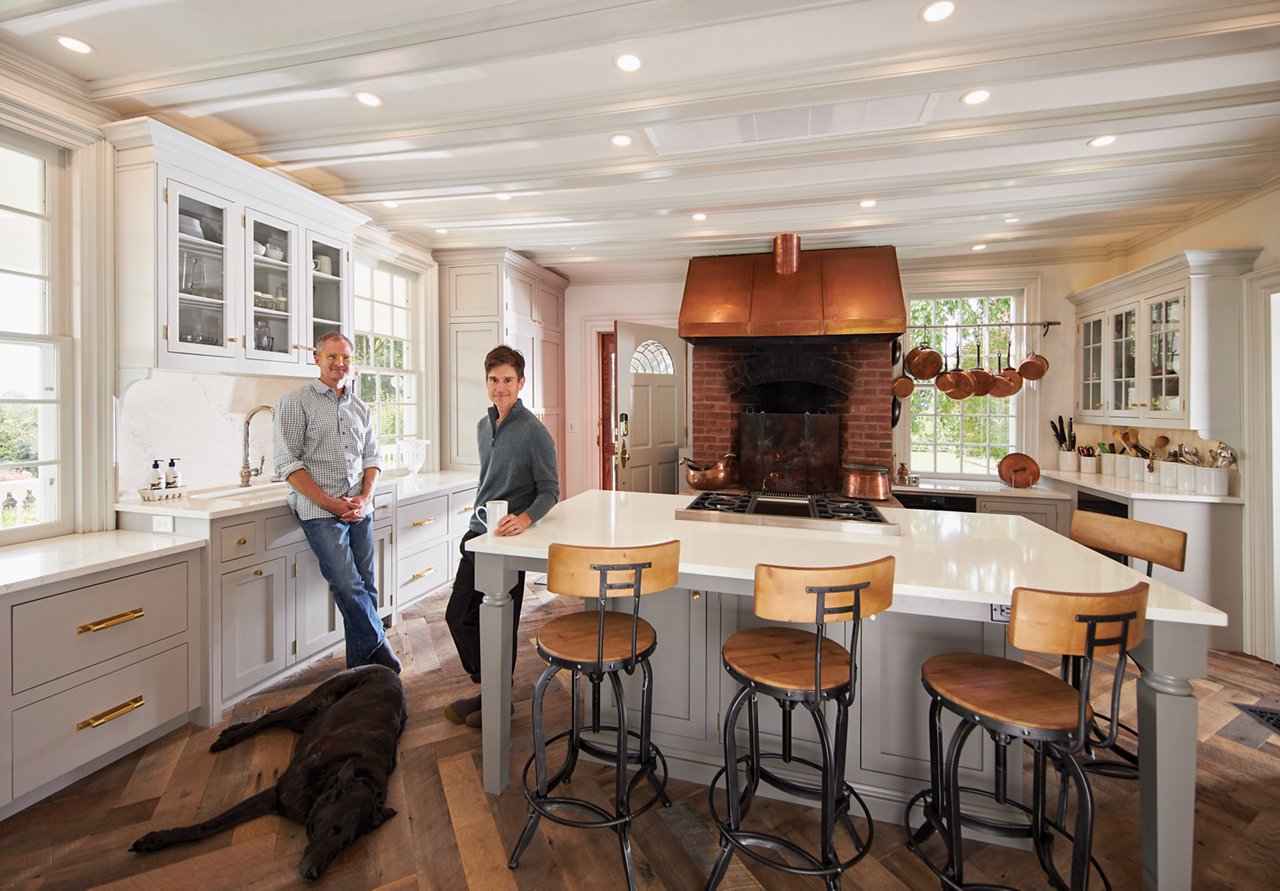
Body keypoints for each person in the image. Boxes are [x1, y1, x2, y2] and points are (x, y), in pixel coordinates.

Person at [444, 345, 559, 727]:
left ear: (521, 382)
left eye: (508, 380)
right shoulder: (483, 426)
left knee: (500, 620)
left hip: (510, 541)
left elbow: (550, 490)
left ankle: (497, 698)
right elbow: (487, 481)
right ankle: (490, 689)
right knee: (459, 616)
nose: (500, 387)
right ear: (487, 382)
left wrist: (525, 519)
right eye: (494, 380)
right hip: (479, 535)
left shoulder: (534, 432)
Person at [273, 331, 400, 674]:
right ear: (316, 358)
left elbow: (372, 457)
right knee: (347, 584)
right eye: (331, 356)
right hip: (320, 512)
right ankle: (379, 646)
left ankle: (361, 675)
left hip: (360, 510)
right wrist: (331, 504)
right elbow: (288, 464)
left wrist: (364, 497)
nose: (339, 363)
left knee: (367, 587)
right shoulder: (295, 402)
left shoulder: (360, 406)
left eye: (345, 357)